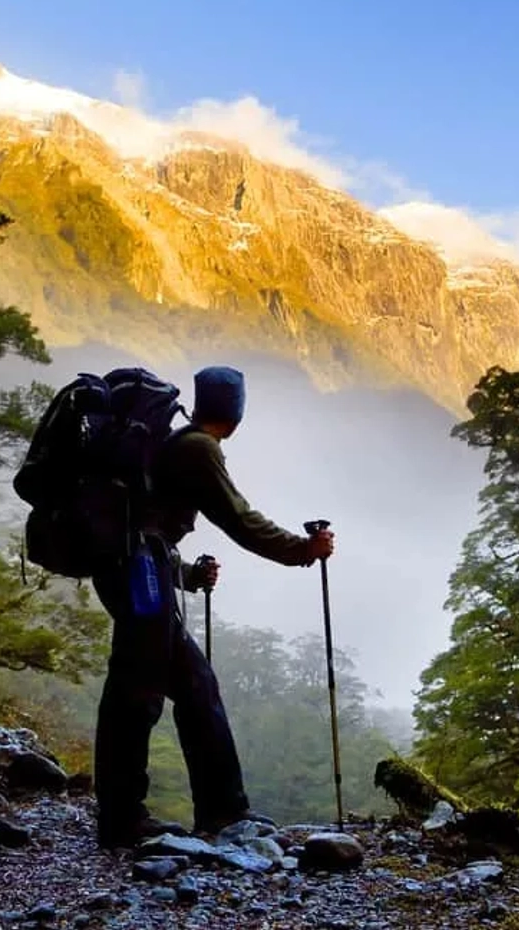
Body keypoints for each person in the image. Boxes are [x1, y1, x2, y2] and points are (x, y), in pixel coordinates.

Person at [91, 364, 336, 850]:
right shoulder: (198, 448)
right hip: (141, 573)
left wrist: (184, 575)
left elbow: (146, 520)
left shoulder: (178, 441)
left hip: (140, 569)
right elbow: (239, 518)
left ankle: (222, 811)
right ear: (236, 411)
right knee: (136, 692)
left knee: (194, 686)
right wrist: (302, 551)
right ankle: (124, 819)